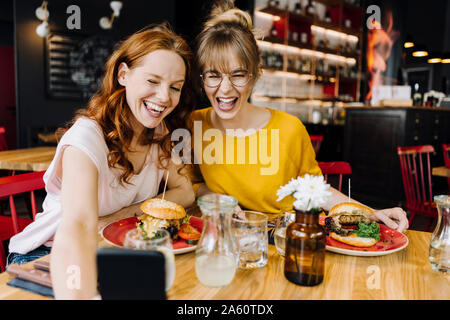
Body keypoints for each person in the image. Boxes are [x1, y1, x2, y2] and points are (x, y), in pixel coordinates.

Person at [7, 24, 195, 299]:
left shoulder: (160, 133)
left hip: (107, 246)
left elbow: (185, 191)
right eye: (153, 81)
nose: (165, 97)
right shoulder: (86, 136)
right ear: (123, 75)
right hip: (45, 255)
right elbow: (79, 227)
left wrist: (116, 219)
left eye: (175, 87)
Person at [188, 0, 408, 232]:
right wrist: (218, 199)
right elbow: (191, 184)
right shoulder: (194, 124)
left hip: (282, 240)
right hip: (226, 240)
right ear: (202, 79)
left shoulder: (288, 128)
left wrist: (371, 213)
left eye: (238, 75)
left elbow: (316, 191)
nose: (224, 89)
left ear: (254, 76)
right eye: (213, 75)